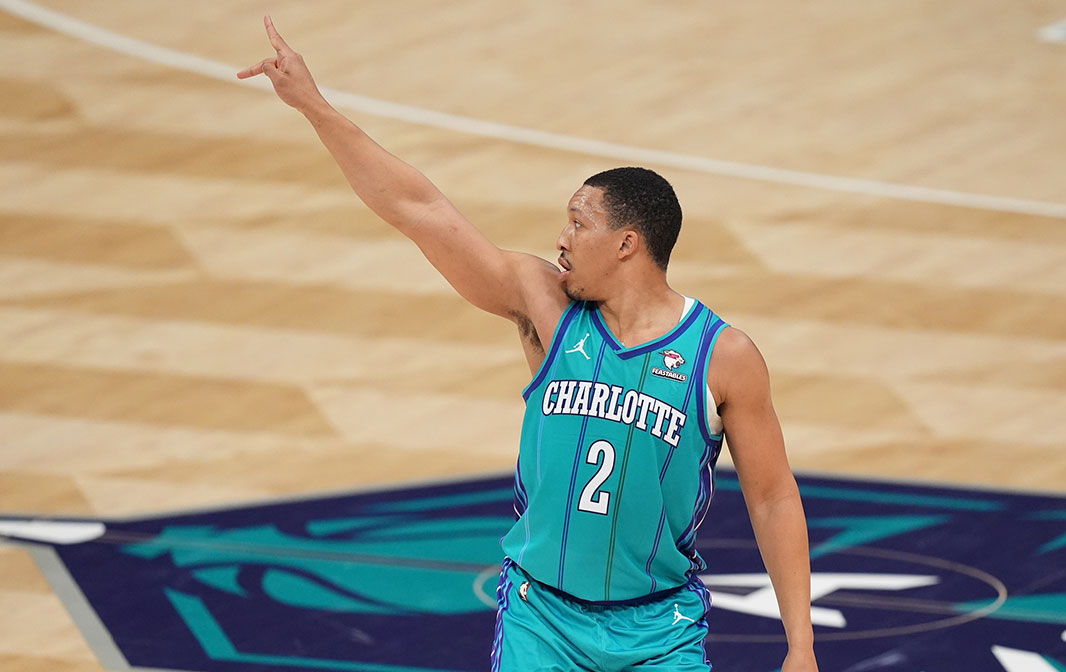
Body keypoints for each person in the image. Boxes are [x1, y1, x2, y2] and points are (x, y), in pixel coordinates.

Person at [240, 15, 819, 672]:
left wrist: (800, 646)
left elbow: (773, 497)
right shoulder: (546, 306)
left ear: (628, 244)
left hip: (659, 628)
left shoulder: (723, 356)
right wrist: (315, 108)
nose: (562, 238)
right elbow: (420, 209)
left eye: (579, 222)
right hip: (541, 618)